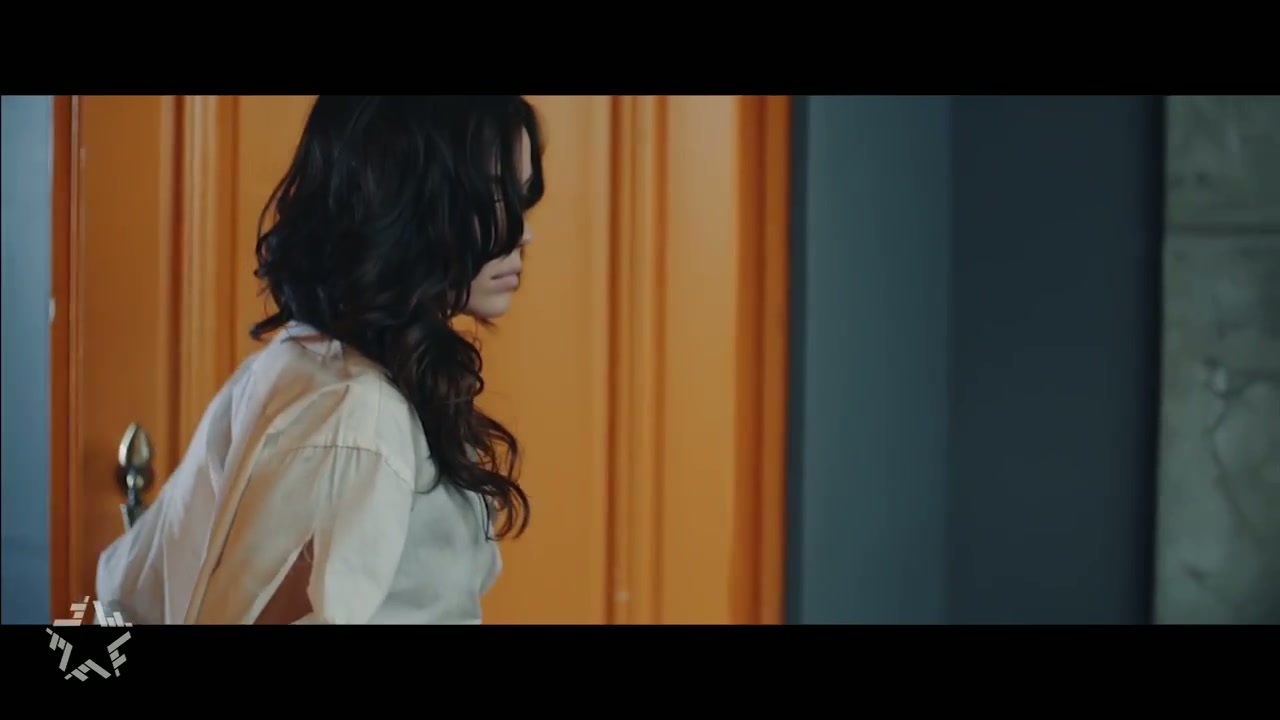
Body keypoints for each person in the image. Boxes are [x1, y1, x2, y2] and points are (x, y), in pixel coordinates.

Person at [95, 95, 545, 624]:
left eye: (519, 198)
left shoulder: (307, 363)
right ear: (402, 197)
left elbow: (129, 584)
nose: (523, 233)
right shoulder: (356, 415)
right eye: (493, 197)